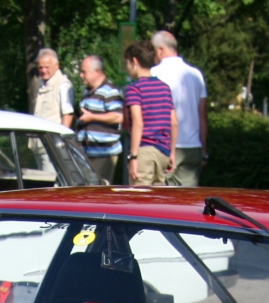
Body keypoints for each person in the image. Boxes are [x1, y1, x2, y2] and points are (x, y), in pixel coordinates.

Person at [151, 31, 207, 187]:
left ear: (160, 50)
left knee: (160, 202)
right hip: (192, 146)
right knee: (186, 202)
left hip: (163, 146)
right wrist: (204, 151)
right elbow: (202, 114)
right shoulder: (196, 75)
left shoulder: (155, 73)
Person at [122, 40, 176, 187]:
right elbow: (174, 122)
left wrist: (133, 156)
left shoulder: (134, 89)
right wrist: (172, 153)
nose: (127, 68)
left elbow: (138, 124)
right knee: (157, 201)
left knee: (139, 199)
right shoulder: (165, 88)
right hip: (163, 151)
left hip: (144, 150)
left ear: (134, 61)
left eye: (127, 63)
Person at [75, 54, 123, 183]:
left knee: (99, 190)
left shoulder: (109, 91)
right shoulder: (87, 92)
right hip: (87, 153)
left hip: (104, 153)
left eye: (84, 72)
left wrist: (92, 117)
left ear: (96, 72)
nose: (81, 75)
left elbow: (119, 116)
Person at [32, 47, 73, 129]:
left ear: (57, 65)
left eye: (47, 67)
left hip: (53, 139)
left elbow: (68, 115)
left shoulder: (63, 85)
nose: (43, 70)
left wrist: (62, 139)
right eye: (40, 67)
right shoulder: (42, 83)